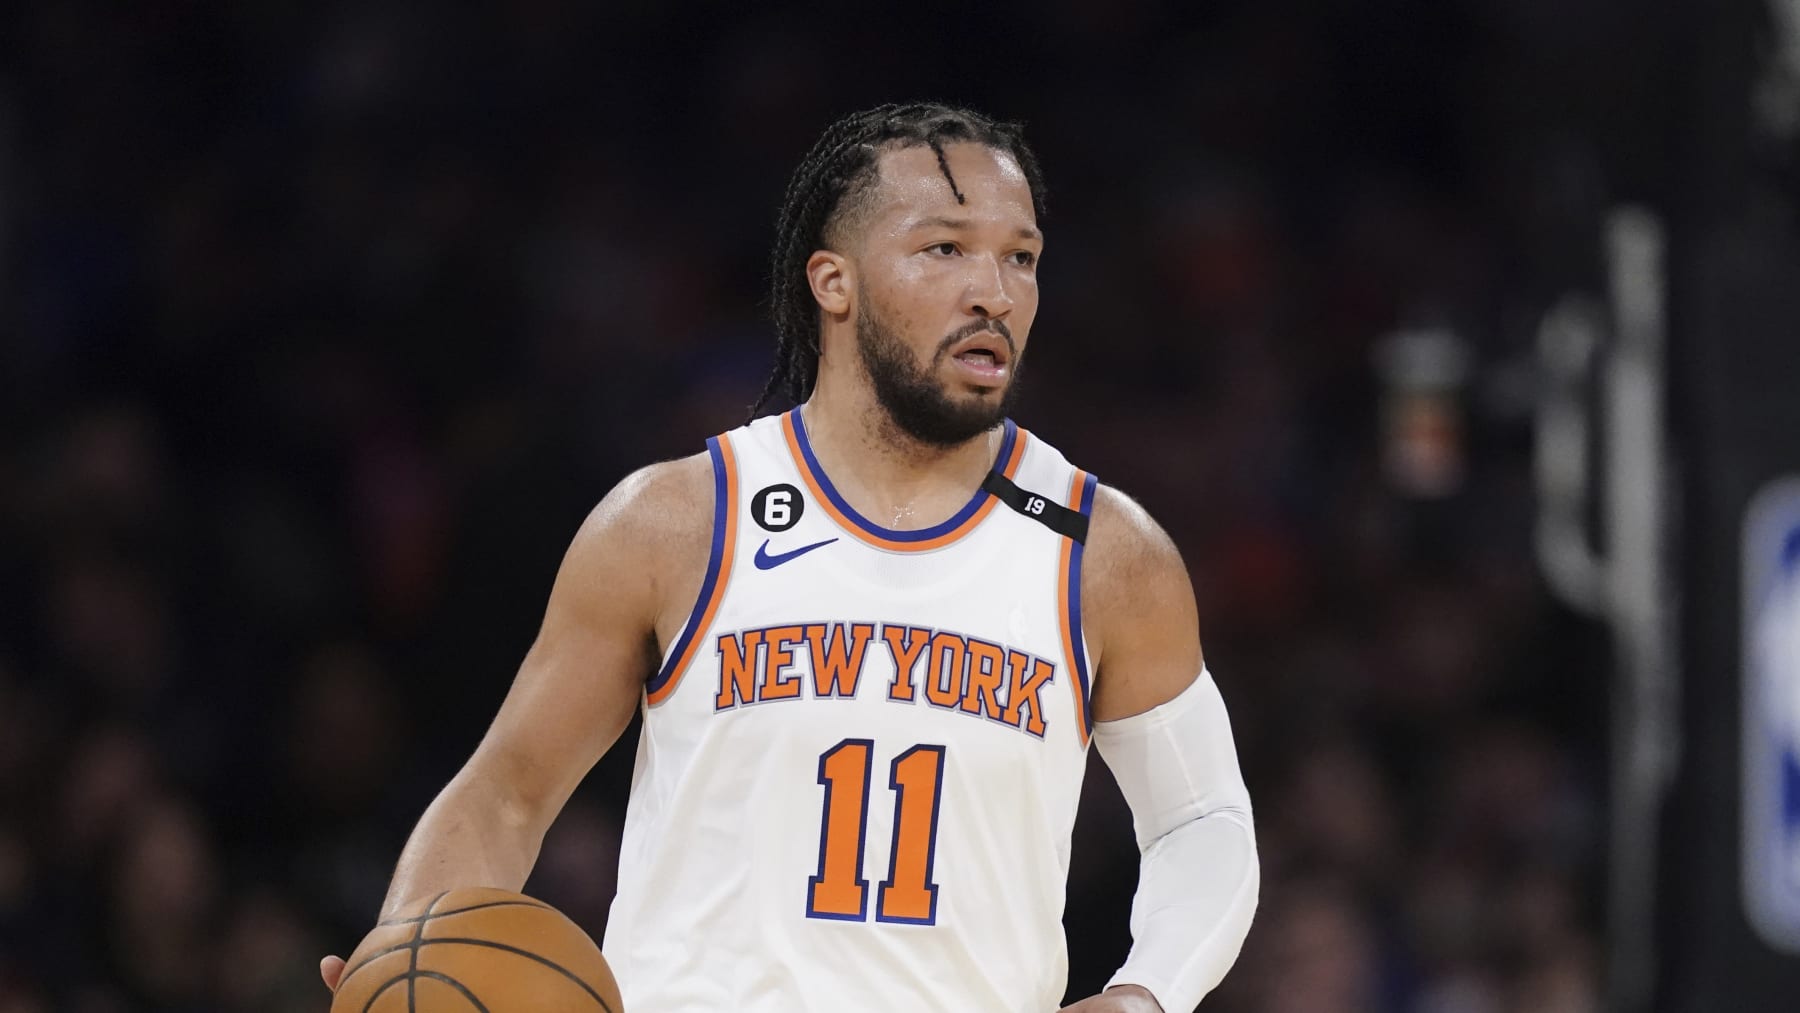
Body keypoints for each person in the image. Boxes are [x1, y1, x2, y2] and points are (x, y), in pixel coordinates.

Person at [321, 102, 1259, 1012]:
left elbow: (1202, 819)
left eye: (1022, 257)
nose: (995, 290)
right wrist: (409, 950)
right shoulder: (676, 521)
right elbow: (506, 793)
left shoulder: (1104, 553)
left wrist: (1147, 992)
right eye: (946, 248)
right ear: (833, 283)